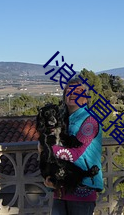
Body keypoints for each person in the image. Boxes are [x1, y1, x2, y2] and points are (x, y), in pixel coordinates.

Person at [38, 77, 103, 215]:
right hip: (60, 190)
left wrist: (46, 149)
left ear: (85, 98)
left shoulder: (90, 121)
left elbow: (75, 154)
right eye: (69, 91)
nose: (73, 93)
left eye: (78, 91)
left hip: (83, 190)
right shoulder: (62, 120)